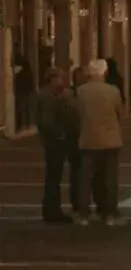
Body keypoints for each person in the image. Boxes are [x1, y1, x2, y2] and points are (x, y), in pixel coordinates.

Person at [75, 58, 124, 226]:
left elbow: (77, 113)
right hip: (110, 139)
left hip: (88, 139)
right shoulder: (113, 91)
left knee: (86, 179)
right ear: (105, 72)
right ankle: (109, 214)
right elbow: (120, 113)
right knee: (110, 179)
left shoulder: (81, 91)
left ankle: (83, 214)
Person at [35, 68, 79, 224]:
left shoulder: (51, 95)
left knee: (54, 176)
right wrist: (60, 133)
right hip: (55, 142)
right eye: (61, 78)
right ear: (52, 79)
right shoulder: (48, 96)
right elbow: (46, 121)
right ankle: (52, 211)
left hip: (53, 140)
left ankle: (52, 210)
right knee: (54, 177)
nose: (64, 81)